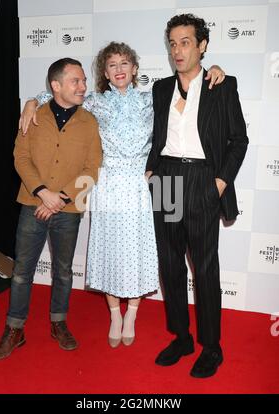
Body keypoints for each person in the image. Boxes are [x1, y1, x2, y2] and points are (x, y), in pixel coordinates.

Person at [19, 43, 225, 349]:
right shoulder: (94, 103)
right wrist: (32, 102)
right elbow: (57, 95)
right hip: (108, 185)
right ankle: (115, 314)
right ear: (105, 72)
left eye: (125, 63)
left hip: (144, 187)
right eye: (112, 64)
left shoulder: (152, 99)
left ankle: (132, 315)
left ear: (134, 69)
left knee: (142, 253)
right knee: (111, 253)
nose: (119, 69)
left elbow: (190, 90)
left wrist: (215, 71)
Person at [146, 14, 248, 378]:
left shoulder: (222, 85)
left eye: (185, 42)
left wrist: (219, 183)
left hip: (204, 178)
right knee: (171, 266)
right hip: (167, 179)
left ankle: (211, 346)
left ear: (202, 45)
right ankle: (182, 336)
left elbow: (239, 141)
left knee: (204, 269)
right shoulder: (160, 89)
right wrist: (151, 170)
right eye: (172, 43)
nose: (178, 50)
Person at [0, 58, 102, 360]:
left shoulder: (89, 122)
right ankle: (15, 329)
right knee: (22, 273)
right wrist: (42, 193)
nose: (83, 86)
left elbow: (93, 168)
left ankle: (59, 323)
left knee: (63, 273)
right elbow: (20, 156)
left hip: (68, 209)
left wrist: (61, 198)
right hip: (31, 204)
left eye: (83, 81)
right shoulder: (33, 116)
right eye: (76, 81)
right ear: (56, 85)